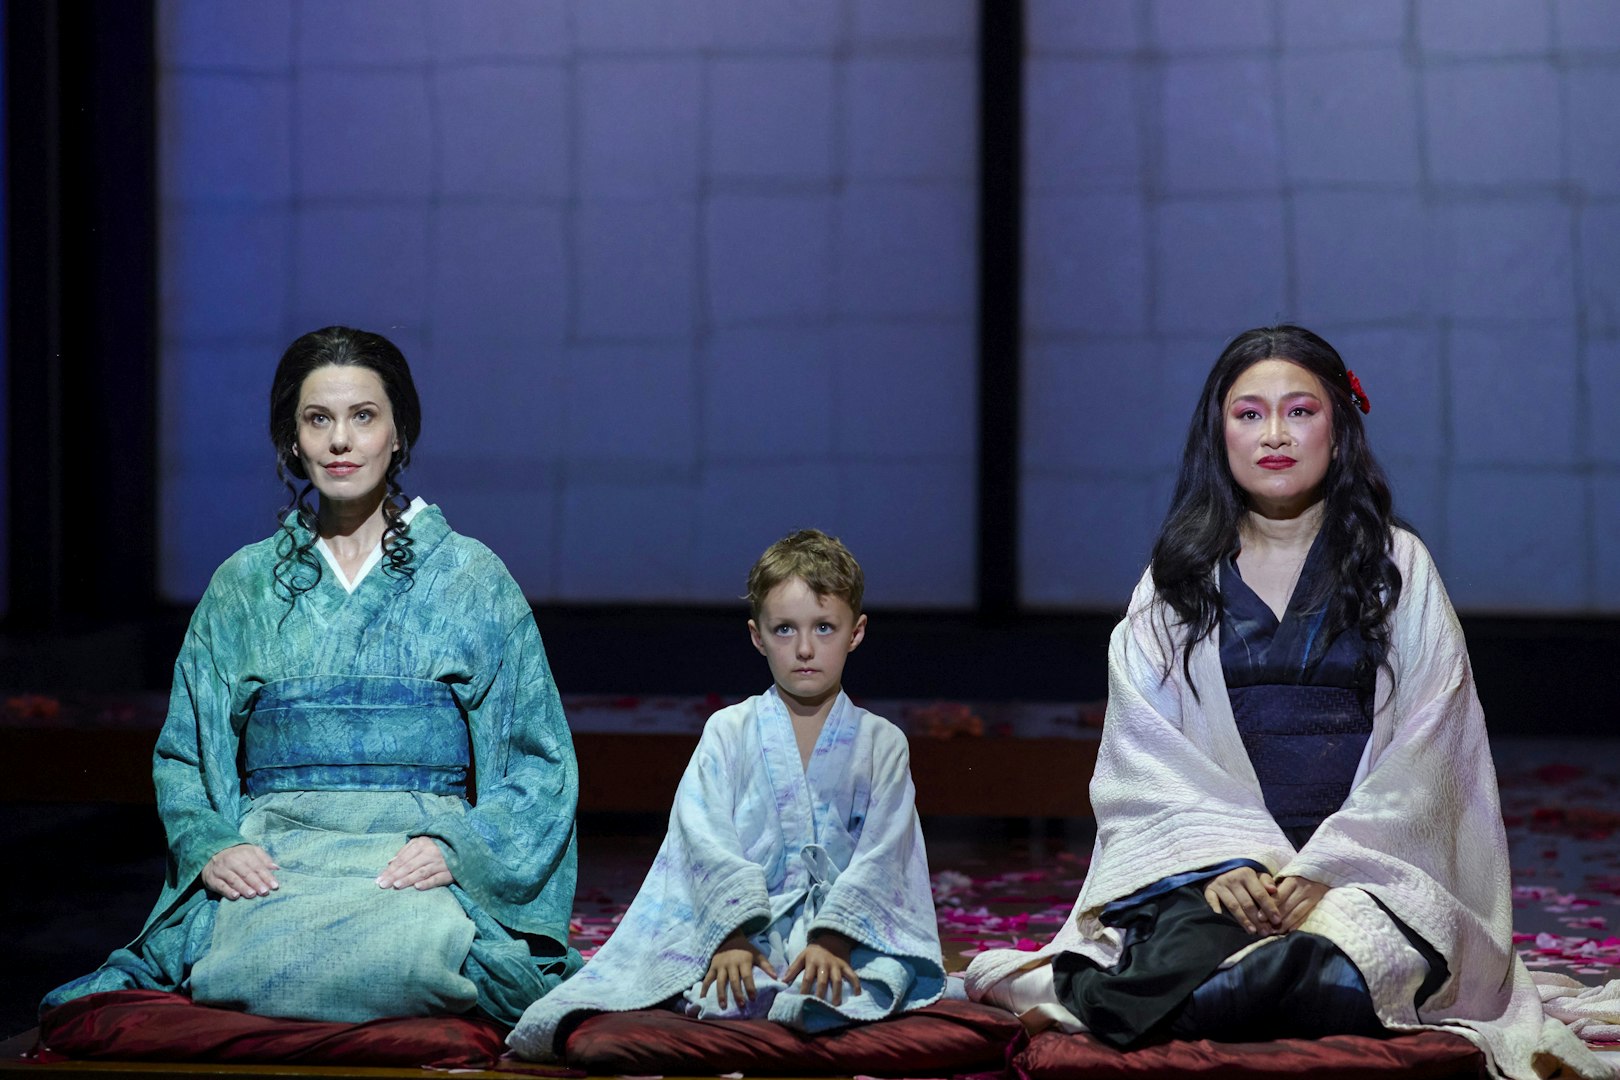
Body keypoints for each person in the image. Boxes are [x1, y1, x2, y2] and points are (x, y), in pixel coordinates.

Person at [965, 326, 1608, 1078]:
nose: (1274, 434)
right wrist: (1220, 861)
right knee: (1211, 968)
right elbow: (1145, 752)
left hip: (1367, 870)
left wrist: (1328, 865)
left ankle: (1127, 994)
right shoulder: (1177, 579)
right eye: (1249, 414)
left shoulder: (1397, 566)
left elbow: (1430, 749)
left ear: (1338, 430)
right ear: (1220, 433)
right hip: (1218, 876)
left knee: (1335, 976)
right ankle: (1137, 979)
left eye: (1299, 411)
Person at [43, 326, 582, 1025]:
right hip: (277, 855)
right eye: (317, 419)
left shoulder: (471, 578)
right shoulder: (244, 583)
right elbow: (185, 750)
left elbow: (541, 762)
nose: (340, 441)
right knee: (252, 963)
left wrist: (460, 848)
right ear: (291, 440)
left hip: (409, 856)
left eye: (364, 417)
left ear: (399, 434)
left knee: (410, 961)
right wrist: (215, 844)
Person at [508, 528, 946, 1061]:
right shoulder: (729, 731)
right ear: (757, 636)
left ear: (856, 632)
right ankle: (752, 969)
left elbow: (886, 851)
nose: (805, 648)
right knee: (731, 991)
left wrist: (835, 938)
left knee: (867, 984)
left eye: (824, 628)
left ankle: (819, 975)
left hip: (845, 936)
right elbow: (702, 835)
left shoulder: (882, 742)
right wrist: (732, 936)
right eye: (784, 629)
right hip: (746, 931)